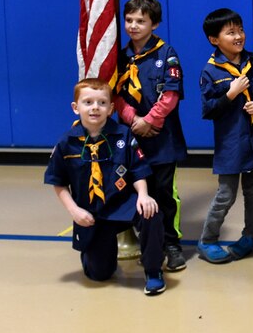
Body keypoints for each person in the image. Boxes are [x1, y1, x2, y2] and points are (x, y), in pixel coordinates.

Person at [44, 78, 166, 295]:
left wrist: (143, 195)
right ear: (76, 108)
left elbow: (137, 169)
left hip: (122, 205)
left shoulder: (123, 134)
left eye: (101, 103)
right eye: (88, 102)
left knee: (151, 212)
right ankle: (93, 251)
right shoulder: (66, 143)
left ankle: (153, 271)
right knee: (99, 274)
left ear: (110, 108)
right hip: (91, 212)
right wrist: (75, 212)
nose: (95, 108)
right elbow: (58, 182)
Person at [113, 0, 188, 272]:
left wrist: (150, 120)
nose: (133, 26)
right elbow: (116, 95)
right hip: (132, 136)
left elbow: (170, 94)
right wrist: (135, 121)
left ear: (154, 24)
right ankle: (149, 242)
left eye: (141, 21)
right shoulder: (120, 57)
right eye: (129, 20)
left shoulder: (166, 53)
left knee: (165, 194)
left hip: (162, 137)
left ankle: (172, 244)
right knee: (138, 191)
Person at [197, 8, 253, 264]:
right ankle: (208, 240)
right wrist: (230, 94)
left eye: (240, 30)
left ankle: (249, 236)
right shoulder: (211, 71)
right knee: (226, 194)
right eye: (230, 32)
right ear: (214, 40)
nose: (238, 36)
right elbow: (208, 109)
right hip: (231, 143)